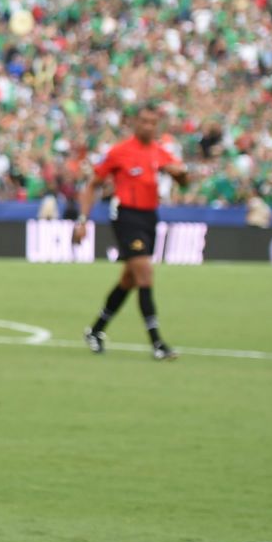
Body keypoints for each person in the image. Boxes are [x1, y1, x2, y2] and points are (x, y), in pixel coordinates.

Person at [74, 105, 190, 360]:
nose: (149, 126)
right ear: (135, 123)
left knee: (130, 279)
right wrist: (82, 219)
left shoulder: (160, 152)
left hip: (150, 217)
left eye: (153, 122)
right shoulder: (119, 152)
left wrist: (181, 175)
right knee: (145, 274)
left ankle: (96, 330)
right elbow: (93, 183)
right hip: (126, 216)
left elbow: (184, 180)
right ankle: (157, 343)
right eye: (144, 121)